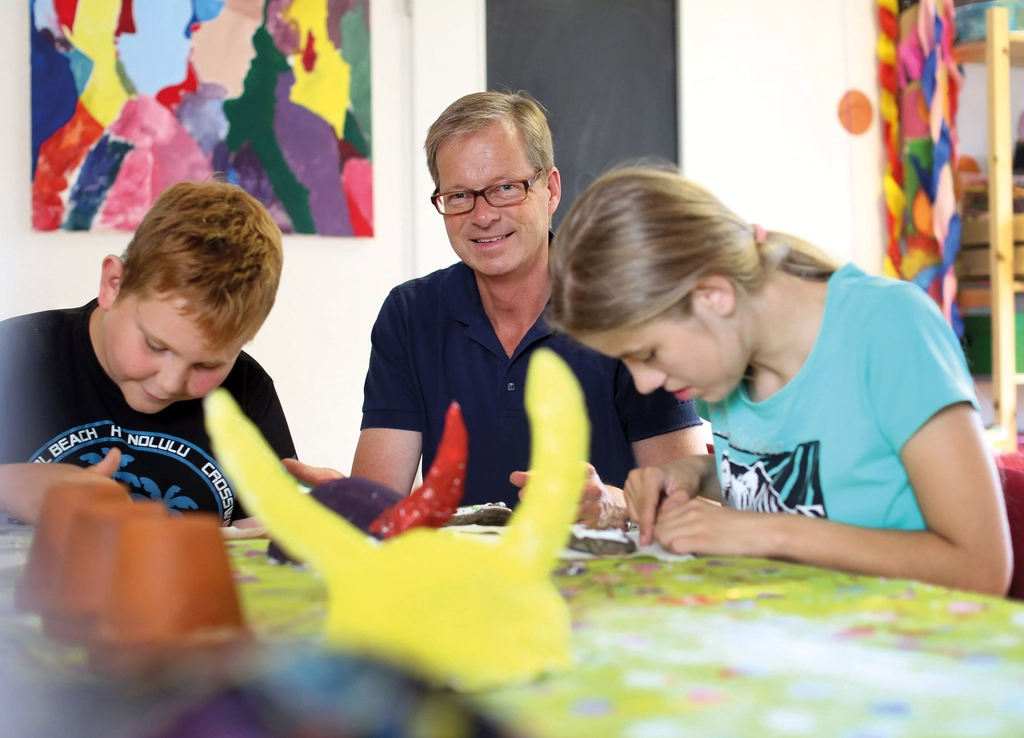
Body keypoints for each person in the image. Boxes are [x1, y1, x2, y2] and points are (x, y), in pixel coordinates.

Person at [546, 165, 1012, 595]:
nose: (645, 384)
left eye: (647, 354)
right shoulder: (729, 363)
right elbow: (812, 471)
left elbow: (981, 569)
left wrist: (766, 534)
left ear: (712, 295)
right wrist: (696, 474)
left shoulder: (889, 328)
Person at [286, 92, 707, 527]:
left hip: (603, 582)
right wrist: (347, 501)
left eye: (506, 188)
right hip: (460, 584)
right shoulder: (410, 314)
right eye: (459, 195)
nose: (482, 216)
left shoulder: (626, 309)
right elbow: (381, 502)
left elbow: (694, 507)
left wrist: (613, 503)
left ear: (551, 190)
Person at [0, 180, 295, 527]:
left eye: (207, 364)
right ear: (115, 284)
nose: (170, 383)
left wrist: (324, 524)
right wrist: (12, 485)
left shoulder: (248, 390)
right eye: (156, 346)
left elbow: (270, 543)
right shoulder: (14, 356)